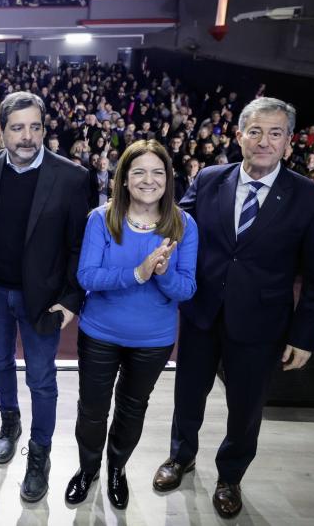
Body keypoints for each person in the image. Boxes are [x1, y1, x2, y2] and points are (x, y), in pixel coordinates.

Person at [153, 97, 314, 519]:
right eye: (255, 131)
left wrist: (305, 337)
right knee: (188, 395)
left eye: (275, 133)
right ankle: (180, 457)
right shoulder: (211, 178)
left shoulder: (313, 199)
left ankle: (230, 475)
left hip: (263, 322)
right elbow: (177, 229)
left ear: (290, 143)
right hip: (202, 314)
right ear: (239, 136)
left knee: (247, 405)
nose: (264, 141)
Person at [67, 140, 198, 508]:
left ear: (168, 180)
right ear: (123, 179)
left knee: (132, 408)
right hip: (100, 334)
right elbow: (88, 276)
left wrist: (164, 272)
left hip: (153, 339)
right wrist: (138, 273)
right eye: (138, 171)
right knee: (92, 410)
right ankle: (88, 469)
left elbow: (186, 289)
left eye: (158, 172)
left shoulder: (184, 224)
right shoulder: (101, 218)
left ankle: (116, 469)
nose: (148, 179)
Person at [0, 92, 89, 502]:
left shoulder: (73, 177)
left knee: (42, 379)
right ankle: (9, 421)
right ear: (0, 131)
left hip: (44, 301)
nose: (27, 137)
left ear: (44, 128)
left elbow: (79, 245)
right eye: (18, 128)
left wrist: (72, 299)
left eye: (35, 127)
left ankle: (40, 454)